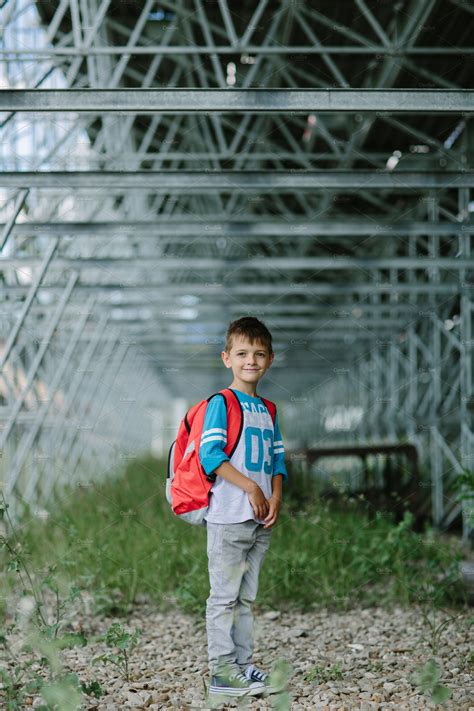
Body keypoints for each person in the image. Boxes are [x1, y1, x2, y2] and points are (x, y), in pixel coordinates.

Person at [199, 316, 288, 699]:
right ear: (226, 358)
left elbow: (278, 460)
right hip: (229, 517)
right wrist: (251, 486)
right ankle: (222, 673)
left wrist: (276, 495)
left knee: (246, 599)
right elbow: (210, 455)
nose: (250, 360)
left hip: (259, 520)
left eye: (258, 353)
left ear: (269, 359)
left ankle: (242, 666)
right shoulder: (222, 403)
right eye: (242, 353)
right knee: (224, 597)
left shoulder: (268, 409)